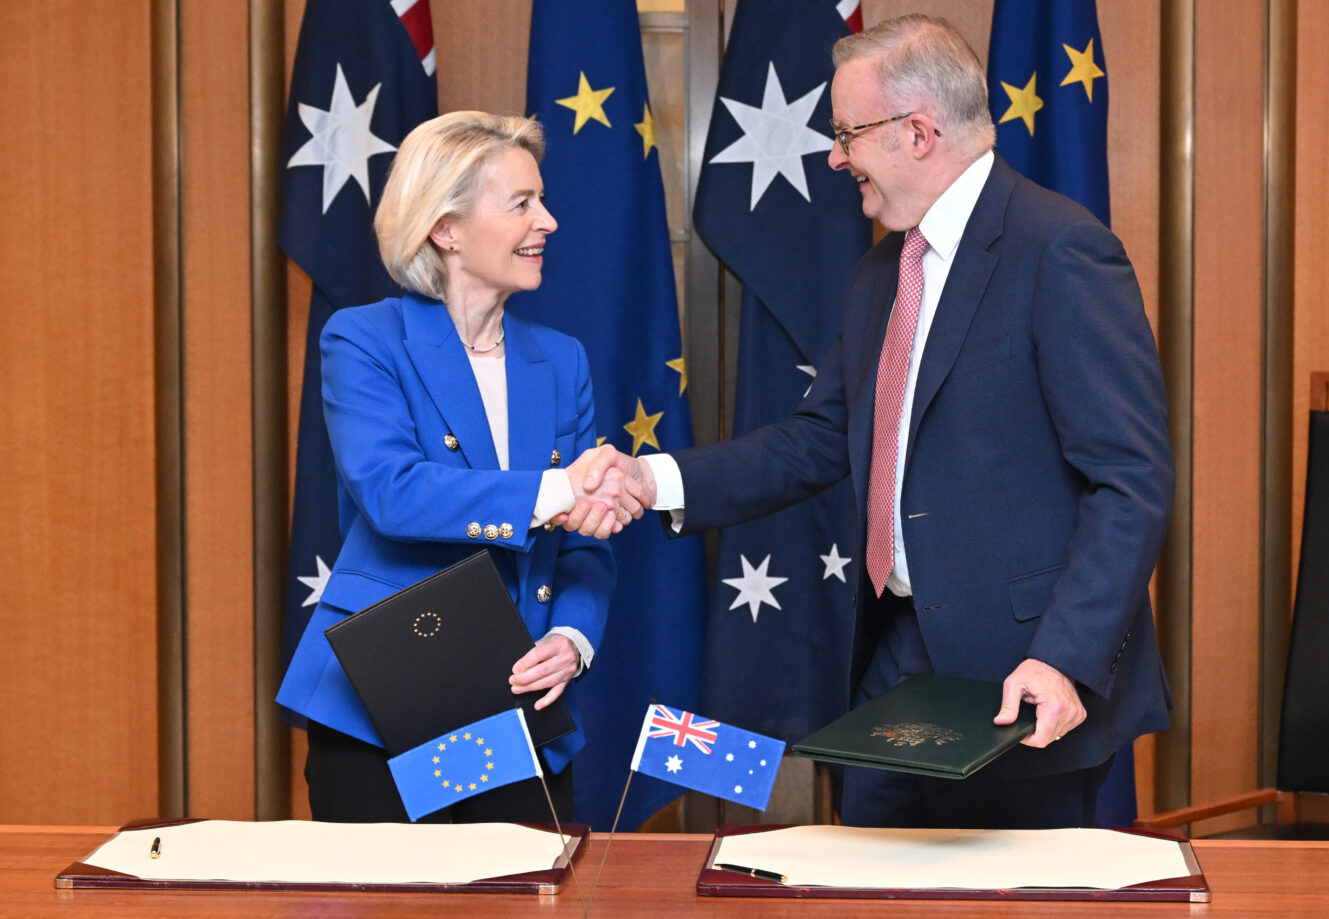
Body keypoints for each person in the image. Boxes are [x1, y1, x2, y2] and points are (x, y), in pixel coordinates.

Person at [568, 15, 1173, 830]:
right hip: (896, 658)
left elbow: (1129, 479)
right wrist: (652, 477)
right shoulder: (881, 269)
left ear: (918, 131)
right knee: (871, 882)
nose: (834, 154)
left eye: (848, 132)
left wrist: (1062, 658)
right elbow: (818, 439)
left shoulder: (1059, 250)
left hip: (1024, 677)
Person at [277, 111, 645, 823]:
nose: (549, 221)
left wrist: (572, 639)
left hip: (515, 712)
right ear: (445, 228)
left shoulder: (561, 358)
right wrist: (560, 487)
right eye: (522, 204)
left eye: (541, 199)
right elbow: (394, 493)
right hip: (383, 710)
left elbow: (585, 539)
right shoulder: (363, 338)